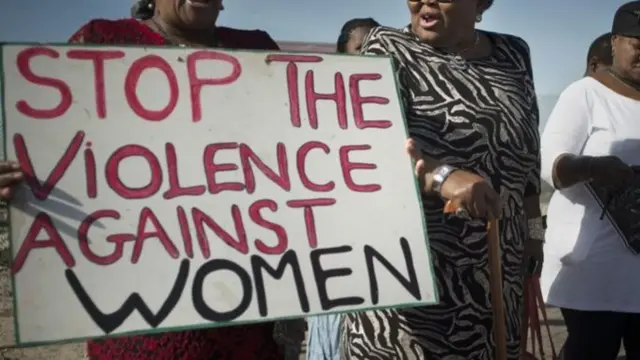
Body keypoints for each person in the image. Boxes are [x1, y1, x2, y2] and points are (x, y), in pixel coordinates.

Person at [1, 0, 283, 359]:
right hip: (136, 325)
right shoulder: (101, 41)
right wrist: (23, 183)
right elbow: (56, 151)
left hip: (245, 316)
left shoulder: (258, 49)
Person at [341, 0, 542, 359]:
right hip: (417, 289)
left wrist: (534, 238)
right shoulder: (384, 48)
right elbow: (365, 154)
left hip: (500, 273)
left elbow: (526, 163)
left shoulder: (514, 54)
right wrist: (442, 175)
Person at [540, 2, 640, 360]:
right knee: (591, 350)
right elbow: (551, 164)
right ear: (615, 42)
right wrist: (592, 167)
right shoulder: (585, 94)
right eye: (638, 44)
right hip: (594, 273)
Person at [304, 17, 383, 360]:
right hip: (334, 255)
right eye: (360, 50)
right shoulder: (316, 112)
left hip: (382, 252)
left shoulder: (394, 110)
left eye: (376, 50)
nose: (369, 57)